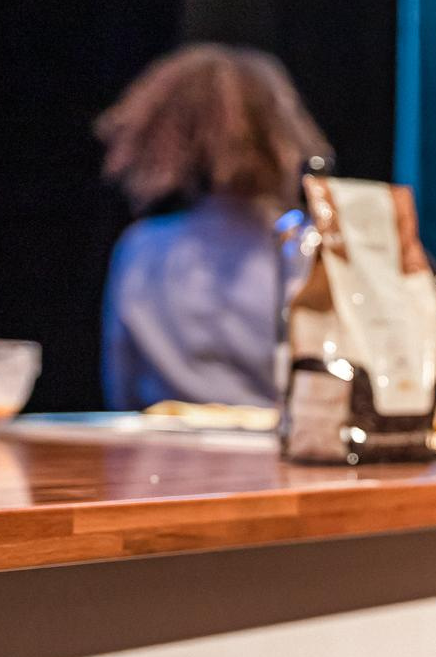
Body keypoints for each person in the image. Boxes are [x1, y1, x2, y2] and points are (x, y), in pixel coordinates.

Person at [94, 44, 328, 410]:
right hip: (277, 441)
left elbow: (122, 389)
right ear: (280, 133)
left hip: (159, 441)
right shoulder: (309, 250)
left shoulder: (141, 247)